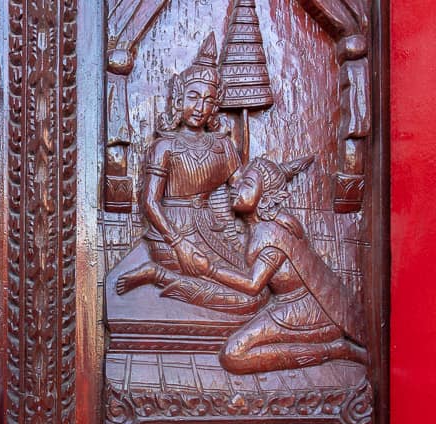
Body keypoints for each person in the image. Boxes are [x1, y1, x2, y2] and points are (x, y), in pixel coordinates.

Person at [115, 33, 268, 315]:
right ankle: (156, 272)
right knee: (249, 300)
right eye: (193, 97)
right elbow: (150, 203)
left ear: (215, 106)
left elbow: (242, 192)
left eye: (208, 101)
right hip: (172, 233)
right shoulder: (166, 146)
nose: (200, 108)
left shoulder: (223, 146)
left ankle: (159, 276)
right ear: (179, 98)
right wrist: (179, 243)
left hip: (210, 228)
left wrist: (260, 182)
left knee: (256, 291)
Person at [193, 154, 368, 374]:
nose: (236, 187)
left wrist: (209, 269)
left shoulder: (270, 233)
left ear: (265, 197)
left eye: (247, 184)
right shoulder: (264, 226)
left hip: (304, 312)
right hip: (290, 306)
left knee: (233, 355)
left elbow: (253, 284)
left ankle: (334, 350)